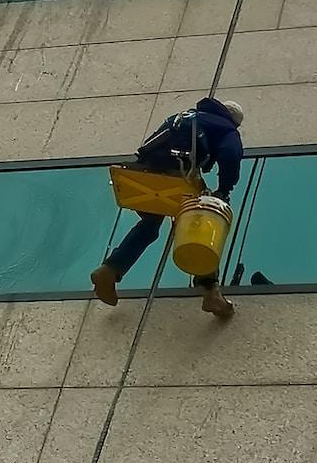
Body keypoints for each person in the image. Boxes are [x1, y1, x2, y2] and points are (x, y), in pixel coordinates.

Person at [89, 98, 245, 317]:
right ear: (234, 122)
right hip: (177, 176)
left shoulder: (185, 116)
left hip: (145, 174)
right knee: (199, 221)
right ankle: (211, 292)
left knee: (150, 225)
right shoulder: (226, 128)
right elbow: (230, 155)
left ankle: (109, 269)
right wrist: (224, 190)